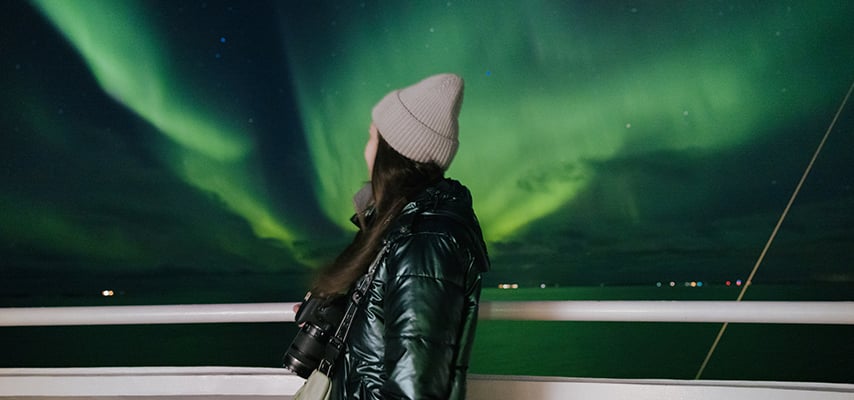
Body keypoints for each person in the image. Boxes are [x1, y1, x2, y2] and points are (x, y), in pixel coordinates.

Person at [313, 73, 490, 400]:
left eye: (372, 137)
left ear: (392, 151)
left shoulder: (427, 240)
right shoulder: (399, 227)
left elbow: (414, 388)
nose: (366, 149)